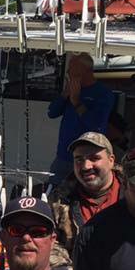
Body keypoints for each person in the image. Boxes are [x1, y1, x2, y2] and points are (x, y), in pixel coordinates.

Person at [47, 132, 124, 267]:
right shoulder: (59, 200)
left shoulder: (133, 193)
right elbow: (51, 244)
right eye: (79, 159)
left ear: (111, 160)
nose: (86, 166)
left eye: (94, 158)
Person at [46, 53, 114, 185]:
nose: (68, 72)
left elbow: (97, 126)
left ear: (85, 71)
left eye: (72, 69)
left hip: (88, 159)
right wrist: (64, 95)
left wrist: (77, 103)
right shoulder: (70, 90)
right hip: (64, 156)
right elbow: (52, 113)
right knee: (55, 193)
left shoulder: (103, 94)